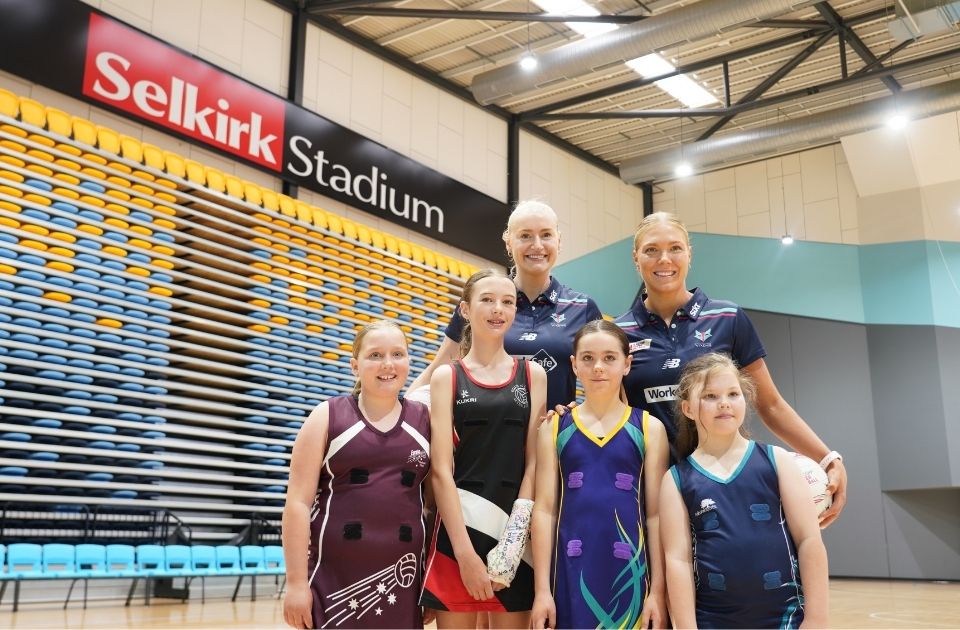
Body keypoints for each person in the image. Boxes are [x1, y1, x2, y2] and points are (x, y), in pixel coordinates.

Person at [613, 212, 847, 526]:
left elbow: (771, 404)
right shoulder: (619, 333)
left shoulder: (728, 317)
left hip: (723, 485)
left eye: (675, 248)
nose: (664, 259)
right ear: (635, 258)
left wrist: (827, 457)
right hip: (651, 492)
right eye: (652, 250)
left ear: (690, 254)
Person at [659, 353, 829, 628]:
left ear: (745, 399)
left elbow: (809, 540)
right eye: (710, 396)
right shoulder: (677, 479)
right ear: (688, 408)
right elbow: (677, 561)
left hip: (784, 617)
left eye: (733, 393)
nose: (724, 402)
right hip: (713, 620)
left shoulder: (778, 462)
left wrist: (817, 619)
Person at [281, 320, 431, 630]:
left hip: (402, 581)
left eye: (397, 354)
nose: (387, 364)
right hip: (333, 583)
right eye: (375, 355)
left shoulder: (424, 420)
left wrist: (431, 583)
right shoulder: (327, 415)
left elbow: (433, 504)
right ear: (354, 365)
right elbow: (297, 503)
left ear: (408, 362)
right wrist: (296, 584)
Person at [420, 269, 547, 628]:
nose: (498, 309)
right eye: (487, 300)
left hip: (513, 536)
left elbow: (534, 463)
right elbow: (441, 470)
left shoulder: (533, 374)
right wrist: (463, 554)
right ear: (465, 309)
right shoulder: (448, 376)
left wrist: (512, 545)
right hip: (458, 531)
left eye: (507, 302)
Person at [531, 320, 669, 630]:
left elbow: (657, 516)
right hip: (568, 574)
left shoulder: (649, 429)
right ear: (574, 365)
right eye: (588, 358)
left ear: (627, 364)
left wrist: (658, 592)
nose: (598, 367)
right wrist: (542, 591)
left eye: (609, 358)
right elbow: (544, 511)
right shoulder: (554, 428)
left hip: (631, 578)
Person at [408, 200, 601, 410]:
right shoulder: (480, 302)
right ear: (508, 242)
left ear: (559, 241)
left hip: (554, 438)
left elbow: (605, 380)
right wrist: (401, 414)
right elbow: (437, 369)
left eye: (546, 234)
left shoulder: (583, 308)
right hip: (486, 438)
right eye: (525, 235)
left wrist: (585, 414)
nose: (537, 245)